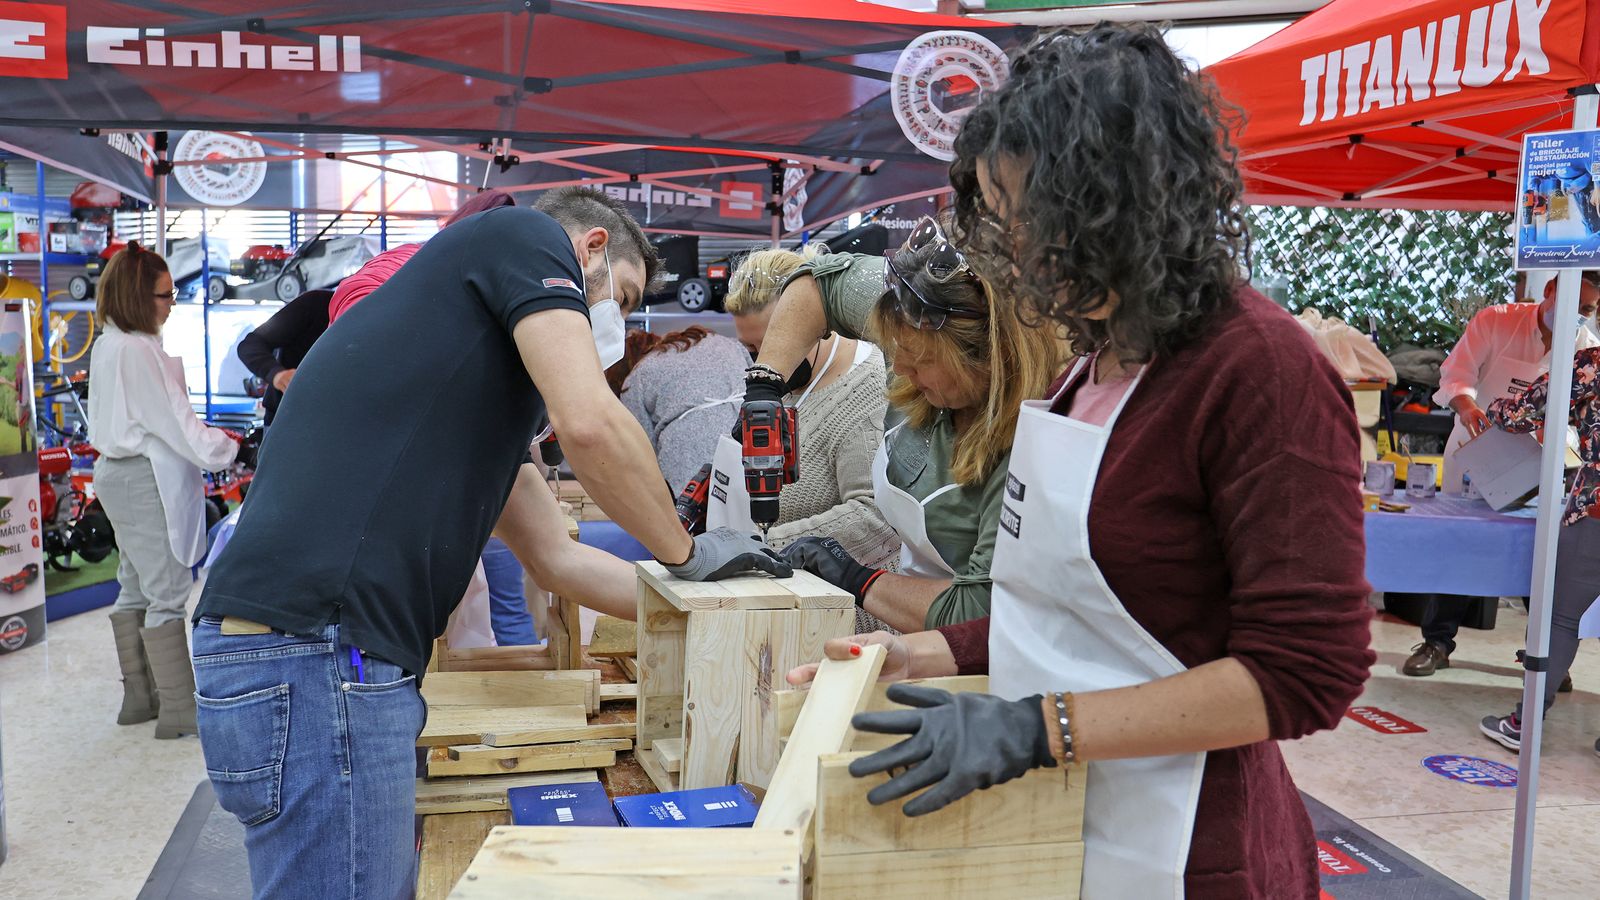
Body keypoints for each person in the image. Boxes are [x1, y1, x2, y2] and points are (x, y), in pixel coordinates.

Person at [788, 26, 1373, 899]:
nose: (1003, 244)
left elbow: (1304, 672)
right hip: (1052, 826)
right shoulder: (1086, 374)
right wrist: (930, 654)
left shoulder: (1259, 372)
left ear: (1114, 199)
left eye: (1020, 213)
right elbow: (1078, 616)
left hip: (1186, 847)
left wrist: (1035, 729)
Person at [191, 187, 787, 899]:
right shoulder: (523, 234)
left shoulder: (465, 386)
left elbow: (555, 558)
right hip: (318, 653)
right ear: (591, 250)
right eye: (621, 301)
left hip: (316, 656)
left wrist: (699, 600)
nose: (617, 326)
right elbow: (591, 424)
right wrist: (687, 552)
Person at [746, 226, 1064, 633]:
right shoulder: (915, 309)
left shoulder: (1030, 447)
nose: (899, 369)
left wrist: (856, 578)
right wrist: (765, 382)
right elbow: (815, 284)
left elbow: (981, 612)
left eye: (918, 359)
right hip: (911, 623)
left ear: (988, 360)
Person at [1404, 271, 1600, 677]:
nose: (1579, 318)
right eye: (1575, 306)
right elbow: (1455, 375)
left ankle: (1545, 657)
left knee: (1539, 552)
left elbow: (1578, 415)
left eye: (1587, 311)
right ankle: (1437, 641)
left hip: (1539, 462)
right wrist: (1468, 408)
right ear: (1549, 291)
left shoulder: (1586, 346)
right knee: (1460, 545)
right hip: (1476, 450)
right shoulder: (1496, 319)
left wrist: (1557, 434)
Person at [88, 243, 244, 738]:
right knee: (169, 592)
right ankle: (179, 711)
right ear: (138, 296)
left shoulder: (110, 342)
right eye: (165, 294)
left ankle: (140, 699)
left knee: (135, 583)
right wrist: (231, 449)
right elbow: (178, 425)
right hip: (143, 478)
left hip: (117, 474)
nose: (172, 302)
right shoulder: (137, 350)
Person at [719, 247, 899, 574]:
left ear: (815, 321)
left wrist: (761, 544)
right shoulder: (777, 390)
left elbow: (876, 519)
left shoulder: (869, 389)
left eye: (772, 343)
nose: (765, 361)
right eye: (752, 349)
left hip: (847, 609)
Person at [1478, 273, 1600, 753]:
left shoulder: (1591, 368)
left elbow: (1519, 411)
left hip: (1595, 513)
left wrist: (1500, 409)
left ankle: (1523, 725)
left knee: (1560, 619)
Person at [610, 325, 751, 493]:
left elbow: (643, 453)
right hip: (749, 449)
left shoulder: (637, 378)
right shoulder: (720, 342)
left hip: (688, 472)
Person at [235, 289, 331, 425]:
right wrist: (277, 374)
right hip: (287, 422)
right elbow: (250, 345)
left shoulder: (367, 320)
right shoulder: (316, 304)